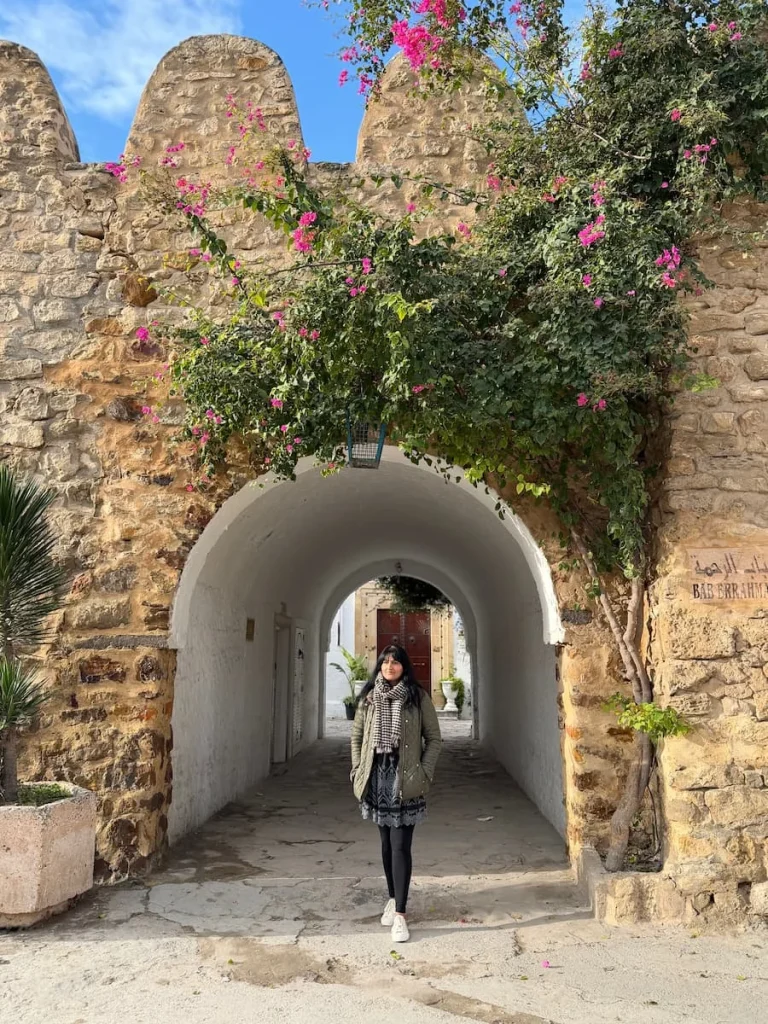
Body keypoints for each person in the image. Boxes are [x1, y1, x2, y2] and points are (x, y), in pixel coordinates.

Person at [350, 644, 442, 942]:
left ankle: (401, 914)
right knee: (387, 845)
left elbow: (434, 739)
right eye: (385, 661)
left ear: (405, 667)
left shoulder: (417, 697)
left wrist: (424, 772)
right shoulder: (369, 698)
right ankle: (392, 898)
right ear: (379, 666)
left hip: (406, 780)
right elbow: (357, 737)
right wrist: (357, 770)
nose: (390, 666)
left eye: (396, 662)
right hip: (377, 779)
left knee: (401, 845)